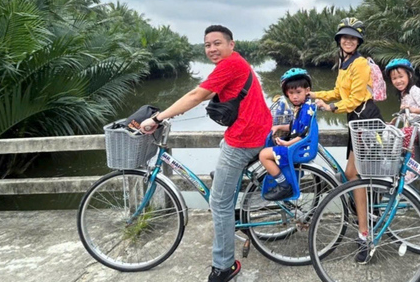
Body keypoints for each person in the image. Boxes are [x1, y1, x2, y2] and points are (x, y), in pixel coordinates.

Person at [140, 25, 271, 282]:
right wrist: (170, 111)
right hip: (254, 130)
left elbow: (195, 95)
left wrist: (158, 117)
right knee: (223, 174)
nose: (211, 49)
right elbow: (205, 92)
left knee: (218, 204)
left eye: (217, 43)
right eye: (207, 45)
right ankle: (229, 197)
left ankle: (224, 267)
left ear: (231, 44)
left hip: (245, 138)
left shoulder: (230, 64)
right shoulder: (234, 62)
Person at [310, 17, 383, 264]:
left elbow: (356, 98)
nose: (348, 40)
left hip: (366, 119)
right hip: (356, 121)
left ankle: (365, 233)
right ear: (339, 41)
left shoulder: (360, 63)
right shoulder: (344, 63)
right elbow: (339, 93)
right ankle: (367, 219)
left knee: (355, 175)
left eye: (352, 37)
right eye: (344, 37)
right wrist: (311, 94)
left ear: (359, 41)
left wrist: (331, 108)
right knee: (353, 174)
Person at [259, 68, 313, 201]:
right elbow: (294, 127)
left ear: (307, 91)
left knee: (263, 155)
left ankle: (284, 185)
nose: (295, 96)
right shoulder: (302, 107)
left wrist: (288, 143)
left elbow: (303, 133)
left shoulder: (307, 110)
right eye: (291, 93)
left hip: (296, 147)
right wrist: (278, 126)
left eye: (298, 92)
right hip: (295, 145)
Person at [385, 58, 420, 182]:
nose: (398, 81)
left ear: (409, 75)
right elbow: (404, 113)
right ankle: (398, 166)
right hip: (412, 125)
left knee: (405, 135)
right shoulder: (403, 93)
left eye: (401, 76)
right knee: (390, 133)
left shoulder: (415, 90)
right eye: (394, 78)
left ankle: (412, 169)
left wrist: (413, 109)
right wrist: (394, 121)